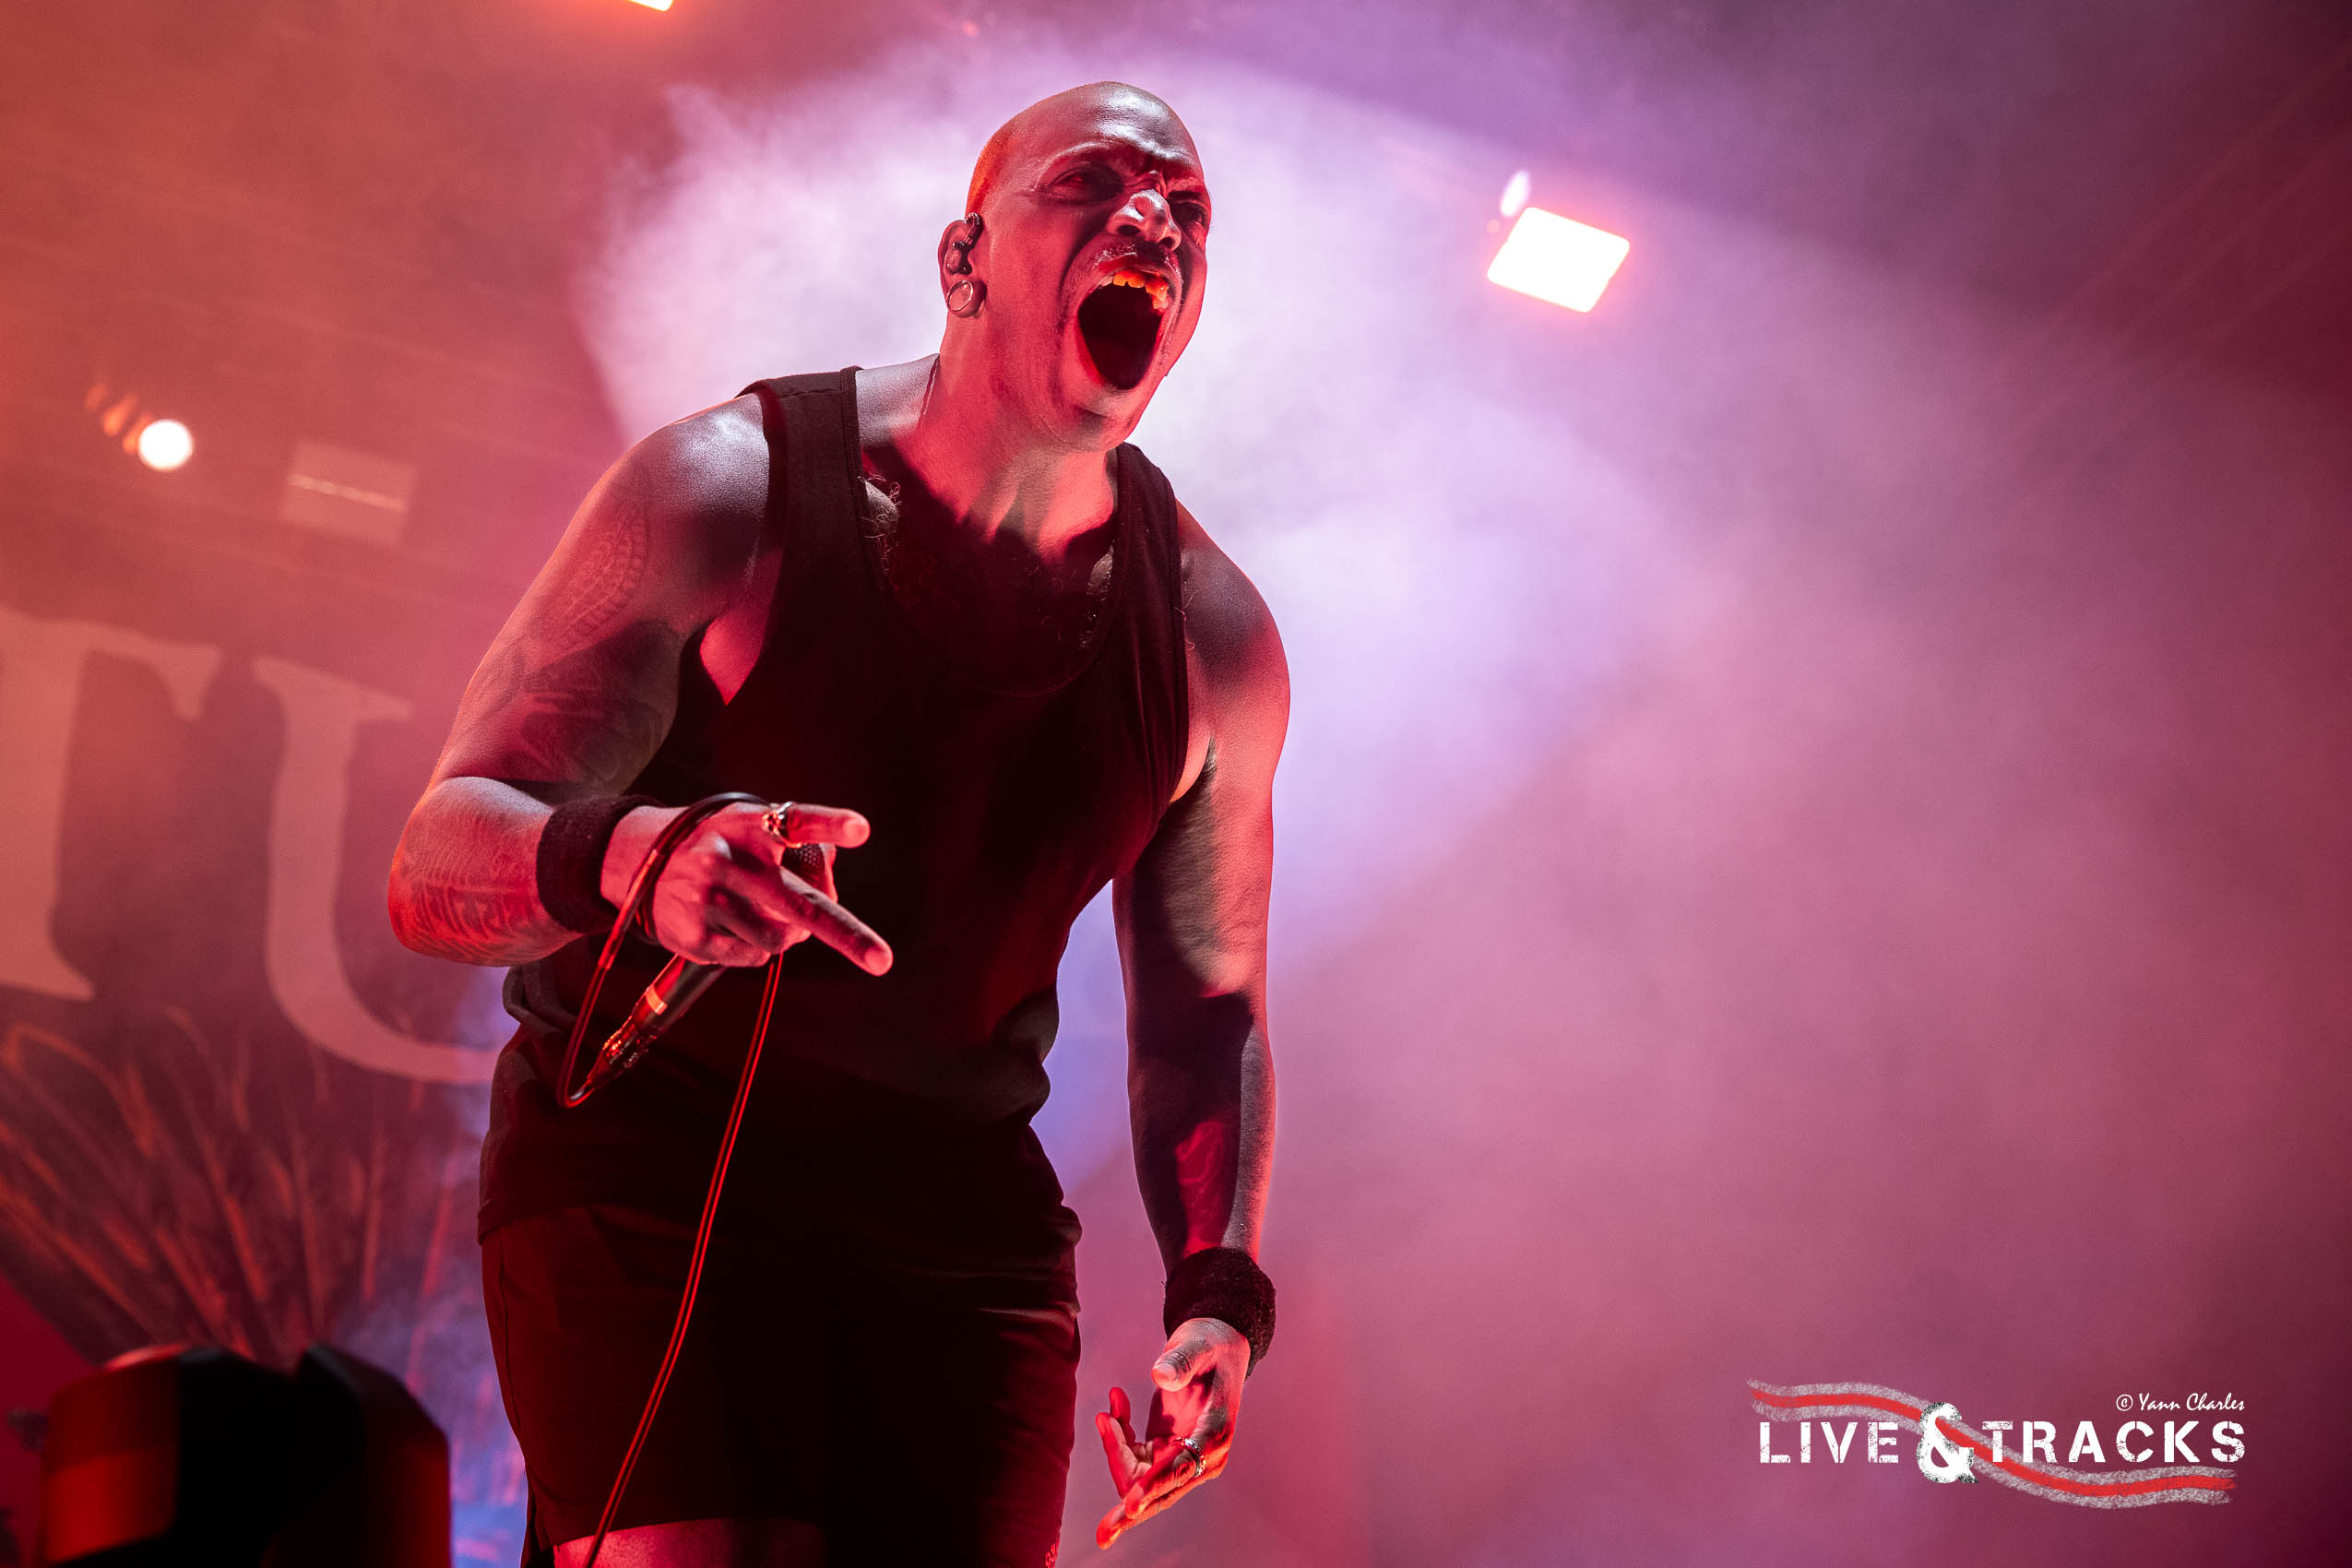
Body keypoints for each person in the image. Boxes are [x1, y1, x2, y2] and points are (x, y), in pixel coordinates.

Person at [388, 80, 1287, 1567]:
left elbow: (1207, 1010)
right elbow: (436, 858)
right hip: (658, 1165)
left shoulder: (1211, 640)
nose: (1152, 219)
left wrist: (1218, 1295)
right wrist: (635, 859)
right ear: (964, 259)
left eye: (1186, 210)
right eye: (1095, 183)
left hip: (959, 1222)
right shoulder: (726, 490)